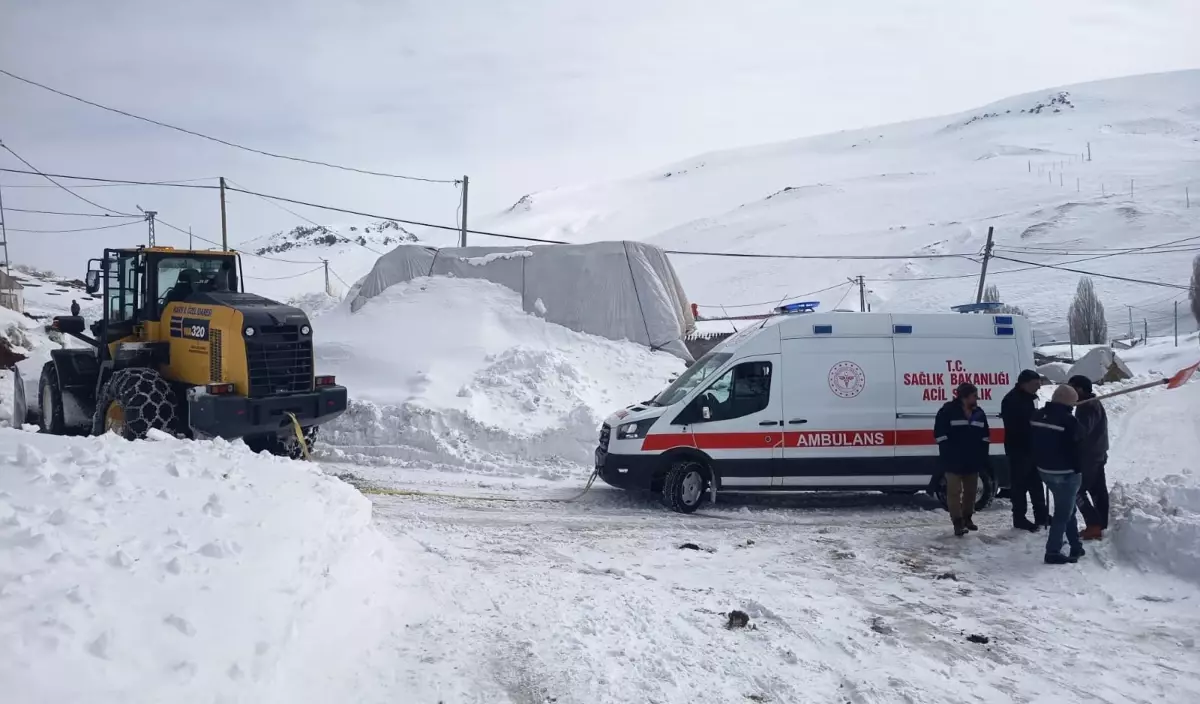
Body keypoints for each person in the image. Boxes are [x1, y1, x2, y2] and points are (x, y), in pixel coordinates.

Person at [1031, 384, 1086, 565]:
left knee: (1067, 506)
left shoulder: (1037, 416)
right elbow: (1080, 446)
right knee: (1063, 513)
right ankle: (1052, 551)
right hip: (1066, 474)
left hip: (1044, 471)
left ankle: (1075, 545)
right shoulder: (1069, 421)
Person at [935, 382, 990, 537]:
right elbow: (940, 434)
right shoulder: (948, 411)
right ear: (965, 396)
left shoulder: (979, 412)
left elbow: (985, 436)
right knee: (953, 492)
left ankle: (968, 518)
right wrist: (947, 454)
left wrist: (982, 457)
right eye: (974, 395)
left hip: (973, 460)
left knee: (971, 492)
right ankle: (957, 522)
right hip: (953, 460)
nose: (977, 398)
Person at [1001, 369, 1050, 532]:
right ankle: (1019, 518)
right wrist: (1038, 419)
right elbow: (1019, 425)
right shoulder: (1011, 400)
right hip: (1018, 449)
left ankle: (1041, 515)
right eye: (1036, 384)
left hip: (1031, 449)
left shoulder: (1027, 398)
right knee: (1019, 486)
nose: (1038, 388)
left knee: (1036, 484)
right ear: (1025, 383)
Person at [1069, 375, 1109, 540]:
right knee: (1097, 489)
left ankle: (1093, 525)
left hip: (1089, 456)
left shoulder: (1088, 407)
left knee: (1077, 490)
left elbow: (1081, 432)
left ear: (1079, 389)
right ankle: (1101, 523)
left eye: (1071, 388)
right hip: (1096, 453)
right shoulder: (1087, 404)